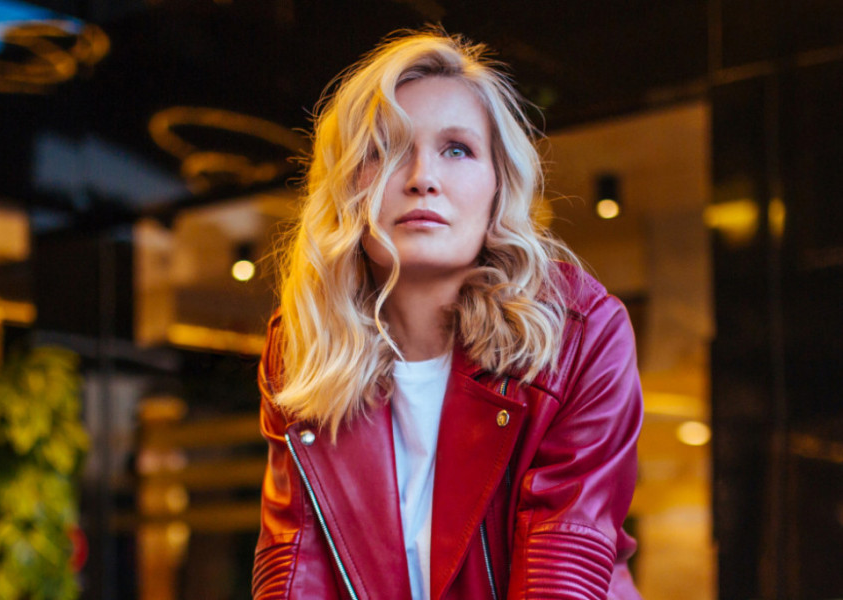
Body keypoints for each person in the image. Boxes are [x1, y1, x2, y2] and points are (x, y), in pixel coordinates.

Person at [253, 28, 643, 600]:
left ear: (498, 186)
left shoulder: (580, 334)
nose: (422, 179)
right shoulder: (302, 350)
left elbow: (561, 573)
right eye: (385, 149)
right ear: (347, 188)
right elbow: (293, 569)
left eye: (457, 149)